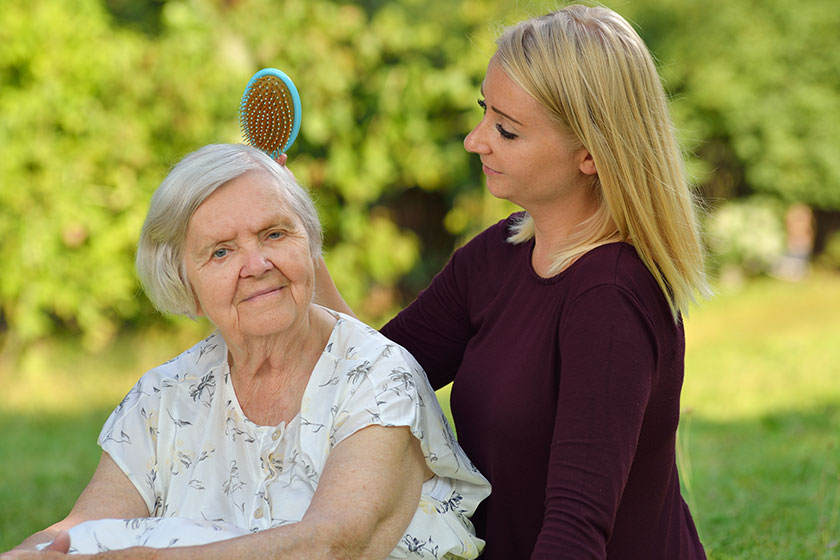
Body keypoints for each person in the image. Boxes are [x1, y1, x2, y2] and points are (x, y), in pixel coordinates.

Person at [314, 5, 711, 559]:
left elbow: (576, 535)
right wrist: (292, 239)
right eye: (485, 112)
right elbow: (376, 378)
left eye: (506, 129)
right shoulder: (501, 254)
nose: (476, 141)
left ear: (591, 153)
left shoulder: (611, 303)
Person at [2, 143, 490, 559]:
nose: (256, 264)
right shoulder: (165, 396)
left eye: (275, 234)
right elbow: (84, 526)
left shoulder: (377, 375)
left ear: (309, 246)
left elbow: (332, 542)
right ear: (185, 287)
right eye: (221, 251)